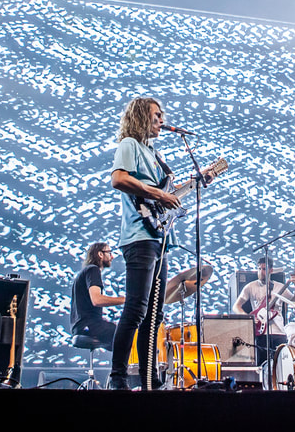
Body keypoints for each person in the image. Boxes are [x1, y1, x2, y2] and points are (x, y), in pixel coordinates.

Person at [106, 97, 182, 391]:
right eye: (156, 115)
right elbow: (118, 179)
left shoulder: (154, 154)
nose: (162, 120)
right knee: (136, 308)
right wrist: (160, 195)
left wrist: (197, 181)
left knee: (154, 315)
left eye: (162, 115)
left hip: (159, 238)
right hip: (139, 237)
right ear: (141, 117)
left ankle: (149, 377)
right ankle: (118, 377)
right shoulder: (129, 145)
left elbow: (165, 192)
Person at [234, 258, 295, 365]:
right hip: (261, 333)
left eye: (264, 269)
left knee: (281, 365)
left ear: (271, 270)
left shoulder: (279, 286)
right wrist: (249, 318)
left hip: (278, 332)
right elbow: (236, 306)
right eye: (259, 269)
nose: (261, 272)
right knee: (262, 365)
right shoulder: (250, 286)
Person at [70, 241, 125, 348]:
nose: (112, 257)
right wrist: (125, 300)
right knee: (129, 334)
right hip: (91, 325)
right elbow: (97, 300)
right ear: (100, 254)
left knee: (119, 343)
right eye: (109, 253)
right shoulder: (93, 270)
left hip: (80, 327)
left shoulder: (84, 273)